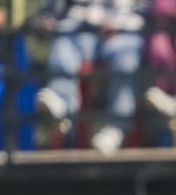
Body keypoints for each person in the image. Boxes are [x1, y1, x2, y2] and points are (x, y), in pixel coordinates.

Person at [31, 0, 145, 154]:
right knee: (64, 33)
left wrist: (122, 25)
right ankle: (61, 107)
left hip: (122, 31)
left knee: (128, 54)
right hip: (81, 30)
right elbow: (48, 11)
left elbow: (147, 10)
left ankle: (116, 128)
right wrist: (47, 22)